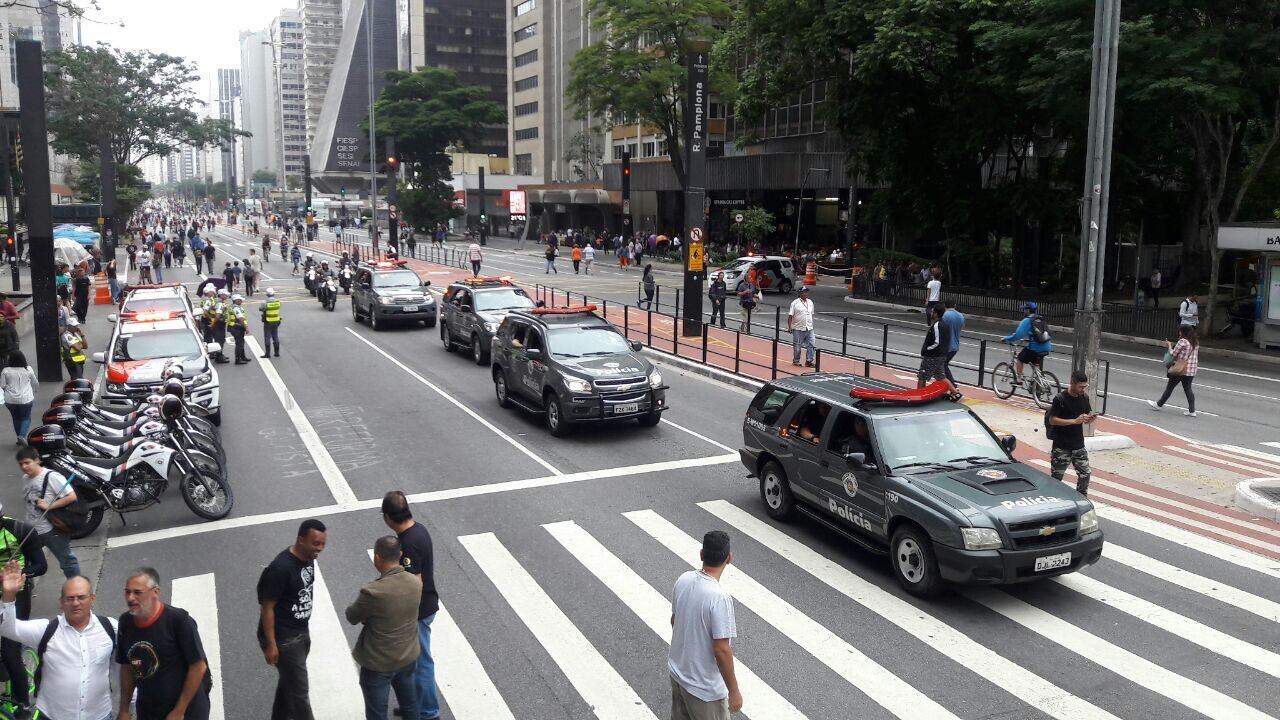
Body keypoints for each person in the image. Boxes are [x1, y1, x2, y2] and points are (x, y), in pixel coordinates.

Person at [2, 561, 120, 720]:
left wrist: (129, 702)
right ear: (61, 602)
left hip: (100, 715)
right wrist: (9, 595)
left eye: (81, 597)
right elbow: (8, 629)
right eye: (70, 598)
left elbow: (125, 663)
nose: (76, 603)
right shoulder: (46, 630)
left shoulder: (111, 627)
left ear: (92, 599)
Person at [117, 567, 213, 720]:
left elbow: (198, 667)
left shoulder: (178, 621)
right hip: (149, 711)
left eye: (137, 592)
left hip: (187, 711)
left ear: (155, 592)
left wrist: (179, 711)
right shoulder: (125, 623)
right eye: (127, 592)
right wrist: (124, 709)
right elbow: (127, 667)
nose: (130, 598)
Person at [258, 519, 327, 720]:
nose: (320, 549)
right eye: (316, 543)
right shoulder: (280, 568)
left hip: (300, 631)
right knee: (300, 695)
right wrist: (271, 645)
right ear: (301, 540)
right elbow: (267, 608)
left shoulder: (308, 558)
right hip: (285, 639)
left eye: (323, 544)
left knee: (289, 682)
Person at [346, 536, 421, 720]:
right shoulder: (415, 582)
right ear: (400, 554)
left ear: (377, 558)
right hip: (407, 656)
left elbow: (352, 616)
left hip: (378, 663)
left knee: (377, 713)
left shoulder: (373, 592)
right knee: (410, 706)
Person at [669, 530, 741, 720]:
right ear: (729, 558)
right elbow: (721, 650)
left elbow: (675, 621)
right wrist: (733, 691)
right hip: (704, 691)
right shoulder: (719, 598)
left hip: (678, 675)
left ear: (702, 554)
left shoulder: (683, 579)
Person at [381, 491, 440, 720]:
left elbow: (414, 584)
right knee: (410, 665)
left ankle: (428, 713)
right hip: (424, 606)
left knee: (421, 664)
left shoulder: (409, 543)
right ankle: (412, 708)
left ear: (387, 516)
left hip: (417, 611)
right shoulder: (419, 529)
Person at [16, 446, 80, 579]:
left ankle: (77, 587)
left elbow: (71, 496)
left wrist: (49, 506)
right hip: (31, 529)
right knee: (25, 560)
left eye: (27, 462)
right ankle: (24, 586)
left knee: (67, 560)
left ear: (37, 460)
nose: (24, 467)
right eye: (21, 464)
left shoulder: (52, 477)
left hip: (50, 529)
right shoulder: (25, 479)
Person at [1047, 370, 1096, 496]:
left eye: (1085, 386)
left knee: (1085, 474)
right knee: (1056, 478)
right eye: (1080, 387)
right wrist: (1074, 421)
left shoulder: (1084, 397)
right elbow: (1052, 420)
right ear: (1072, 383)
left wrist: (1089, 419)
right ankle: (1053, 499)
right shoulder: (1060, 399)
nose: (1083, 389)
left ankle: (1081, 497)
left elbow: (1085, 418)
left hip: (1078, 445)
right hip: (1061, 446)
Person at [1149, 324, 1200, 417]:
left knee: (1170, 387)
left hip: (1180, 369)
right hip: (1191, 369)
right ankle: (1192, 411)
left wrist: (1169, 345)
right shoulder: (1195, 341)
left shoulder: (1183, 341)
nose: (1179, 332)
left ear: (1183, 332)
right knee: (1188, 389)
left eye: (1180, 331)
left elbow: (1173, 354)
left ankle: (1158, 404)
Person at [1001, 301, 1051, 381]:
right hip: (1047, 346)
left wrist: (1006, 339)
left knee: (1020, 358)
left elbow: (1018, 335)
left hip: (1036, 348)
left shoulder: (1027, 320)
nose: (1023, 311)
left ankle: (1019, 380)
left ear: (1028, 310)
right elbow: (1039, 334)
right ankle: (1037, 382)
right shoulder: (1040, 318)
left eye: (1024, 309)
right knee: (1035, 361)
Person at [919, 305, 960, 399]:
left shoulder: (937, 325)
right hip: (941, 355)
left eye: (933, 312)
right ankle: (956, 394)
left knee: (922, 375)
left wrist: (926, 350)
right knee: (941, 376)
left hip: (933, 355)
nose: (931, 314)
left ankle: (920, 395)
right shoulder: (945, 325)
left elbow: (937, 342)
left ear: (936, 314)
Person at [1, 352, 35, 443]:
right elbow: (35, 382)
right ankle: (22, 436)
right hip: (26, 398)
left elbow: (2, 385)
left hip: (10, 399)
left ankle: (19, 438)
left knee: (16, 418)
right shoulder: (28, 369)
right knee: (26, 417)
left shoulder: (5, 370)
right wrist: (35, 389)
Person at [788, 286, 816, 367]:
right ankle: (796, 360)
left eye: (807, 292)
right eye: (804, 292)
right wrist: (790, 327)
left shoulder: (810, 302)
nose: (806, 293)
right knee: (797, 345)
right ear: (800, 293)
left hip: (809, 327)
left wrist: (811, 323)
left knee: (812, 344)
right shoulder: (795, 303)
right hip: (798, 328)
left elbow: (812, 314)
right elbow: (790, 316)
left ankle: (809, 360)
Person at [941, 300, 965, 385]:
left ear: (945, 305)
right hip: (955, 345)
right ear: (955, 305)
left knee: (942, 366)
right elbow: (960, 329)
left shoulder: (944, 315)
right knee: (943, 365)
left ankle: (953, 386)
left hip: (945, 345)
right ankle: (948, 386)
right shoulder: (961, 316)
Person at [228, 294, 251, 365]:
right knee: (239, 344)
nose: (241, 301)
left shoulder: (236, 307)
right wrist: (246, 327)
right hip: (236, 328)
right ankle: (238, 359)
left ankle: (242, 357)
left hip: (237, 327)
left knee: (241, 342)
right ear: (236, 301)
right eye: (240, 300)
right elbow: (240, 318)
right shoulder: (236, 308)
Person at [261, 288, 283, 359]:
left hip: (268, 321)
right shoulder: (277, 301)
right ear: (273, 294)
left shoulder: (265, 302)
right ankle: (277, 353)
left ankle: (267, 354)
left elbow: (262, 309)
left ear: (267, 294)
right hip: (276, 321)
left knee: (267, 337)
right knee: (275, 337)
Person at [211, 290, 231, 364]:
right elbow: (218, 315)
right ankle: (219, 357)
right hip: (219, 324)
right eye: (225, 295)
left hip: (219, 324)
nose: (227, 296)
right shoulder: (220, 304)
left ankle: (220, 354)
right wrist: (213, 323)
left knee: (221, 339)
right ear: (221, 295)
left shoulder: (220, 302)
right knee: (220, 340)